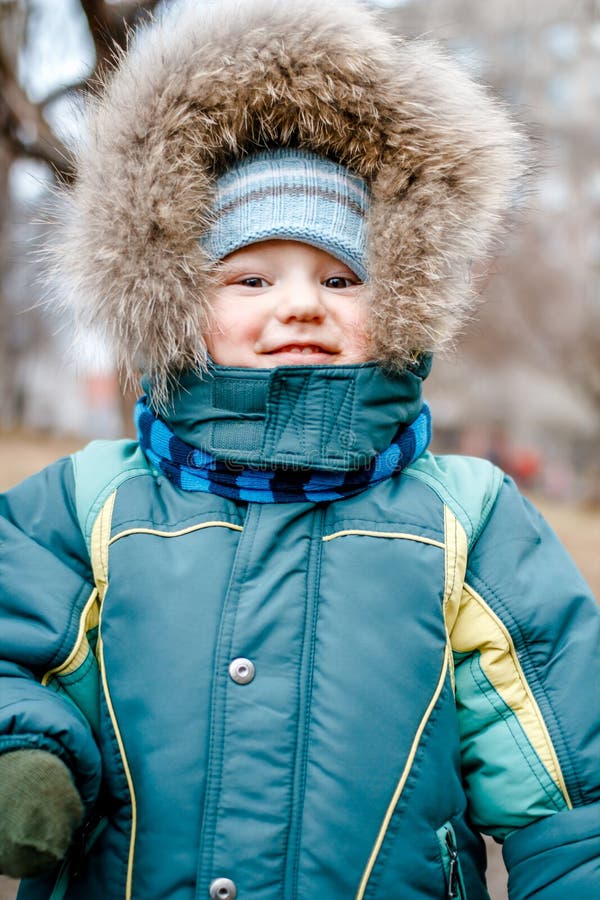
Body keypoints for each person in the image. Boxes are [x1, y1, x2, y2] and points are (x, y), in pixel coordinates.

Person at [0, 1, 598, 898]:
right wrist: (25, 746)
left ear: (397, 297)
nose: (299, 306)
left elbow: (566, 787)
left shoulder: (467, 521)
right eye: (250, 276)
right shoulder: (86, 507)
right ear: (172, 295)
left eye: (339, 276)